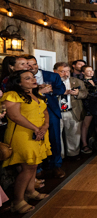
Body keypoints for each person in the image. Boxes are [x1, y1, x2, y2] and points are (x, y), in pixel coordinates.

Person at [1, 70, 50, 213]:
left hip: (38, 133)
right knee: (27, 167)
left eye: (33, 77)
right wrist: (36, 128)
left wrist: (45, 126)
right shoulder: (12, 95)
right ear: (19, 82)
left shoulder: (35, 94)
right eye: (27, 78)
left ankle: (30, 191)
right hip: (22, 134)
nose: (33, 80)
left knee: (33, 165)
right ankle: (17, 201)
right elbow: (15, 116)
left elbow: (45, 111)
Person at [25, 56, 66, 178]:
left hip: (50, 109)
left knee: (55, 138)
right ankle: (37, 168)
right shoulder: (22, 78)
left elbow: (62, 89)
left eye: (34, 64)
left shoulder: (52, 76)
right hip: (31, 112)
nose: (32, 67)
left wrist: (51, 90)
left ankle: (56, 165)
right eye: (29, 65)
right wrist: (39, 92)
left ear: (37, 64)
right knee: (36, 138)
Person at [53, 62, 88, 159]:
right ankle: (60, 156)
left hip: (72, 111)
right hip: (57, 112)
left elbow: (85, 93)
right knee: (57, 136)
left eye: (67, 71)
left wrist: (78, 93)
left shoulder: (77, 81)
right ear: (55, 72)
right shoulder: (51, 82)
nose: (66, 74)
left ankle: (73, 154)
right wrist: (58, 92)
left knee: (74, 134)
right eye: (62, 71)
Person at [80, 65, 97, 154]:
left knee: (96, 124)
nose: (91, 72)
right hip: (88, 104)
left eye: (92, 70)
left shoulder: (96, 80)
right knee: (86, 125)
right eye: (88, 71)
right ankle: (84, 144)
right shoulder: (82, 82)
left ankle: (96, 142)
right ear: (83, 73)